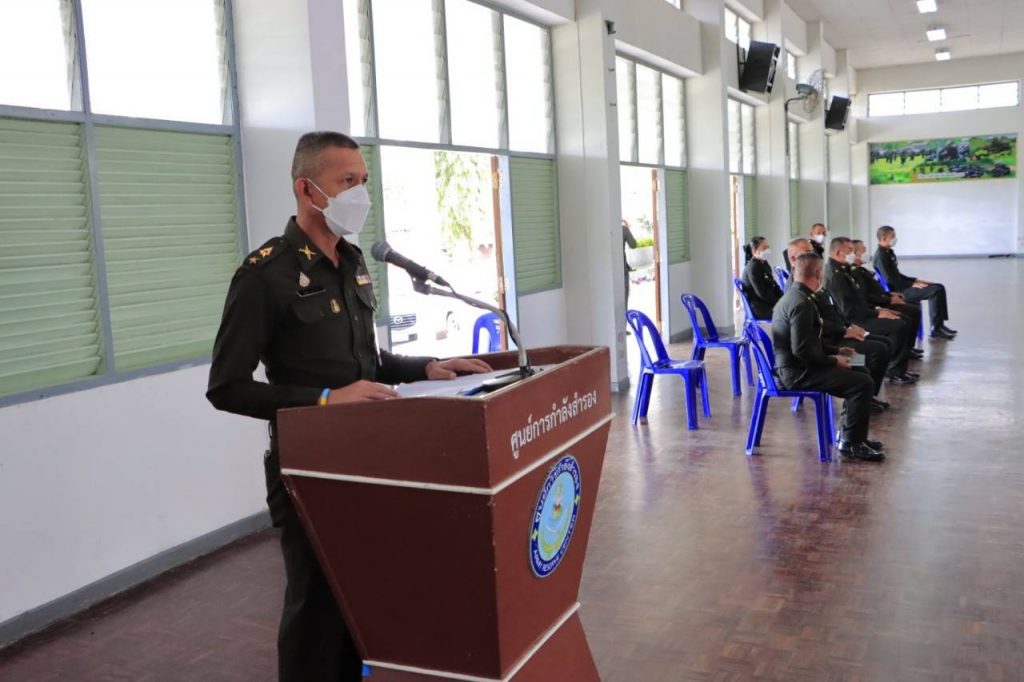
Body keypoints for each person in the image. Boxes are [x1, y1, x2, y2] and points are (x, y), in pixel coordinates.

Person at [207, 131, 492, 682]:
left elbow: (367, 363)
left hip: (370, 461)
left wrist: (428, 367)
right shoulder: (265, 275)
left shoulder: (354, 261)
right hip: (308, 469)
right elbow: (227, 387)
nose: (360, 194)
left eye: (363, 181)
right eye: (346, 182)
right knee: (316, 607)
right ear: (306, 189)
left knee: (361, 601)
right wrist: (323, 400)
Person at [772, 251, 885, 461]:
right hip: (798, 373)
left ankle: (851, 434)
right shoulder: (802, 304)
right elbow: (802, 350)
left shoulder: (797, 296)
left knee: (860, 364)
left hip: (801, 365)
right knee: (863, 383)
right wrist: (834, 361)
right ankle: (851, 444)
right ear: (817, 273)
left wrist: (837, 351)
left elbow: (810, 341)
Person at [788, 238, 892, 414]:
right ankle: (860, 399)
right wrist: (844, 332)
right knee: (875, 352)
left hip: (834, 337)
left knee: (882, 346)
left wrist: (849, 326)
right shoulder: (797, 288)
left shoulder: (812, 281)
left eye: (811, 250)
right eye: (805, 251)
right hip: (828, 342)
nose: (811, 253)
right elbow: (815, 326)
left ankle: (865, 398)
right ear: (793, 259)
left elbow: (833, 310)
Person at [824, 237, 919, 385]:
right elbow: (849, 311)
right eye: (850, 250)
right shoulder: (836, 276)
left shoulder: (843, 269)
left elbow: (860, 298)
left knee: (902, 321)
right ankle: (894, 372)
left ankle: (893, 370)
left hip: (860, 314)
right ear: (838, 253)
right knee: (899, 326)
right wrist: (877, 313)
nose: (853, 253)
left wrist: (878, 309)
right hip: (854, 320)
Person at [873, 225, 957, 339]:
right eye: (892, 237)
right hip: (899, 291)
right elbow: (891, 280)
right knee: (936, 290)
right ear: (883, 239)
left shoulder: (888, 252)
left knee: (938, 286)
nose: (895, 239)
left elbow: (897, 275)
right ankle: (935, 329)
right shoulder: (881, 256)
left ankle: (940, 325)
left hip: (902, 285)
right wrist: (911, 284)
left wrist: (915, 280)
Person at [850, 239, 924, 357]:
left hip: (879, 301)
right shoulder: (854, 273)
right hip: (872, 308)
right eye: (862, 250)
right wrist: (886, 303)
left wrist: (889, 295)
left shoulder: (861, 269)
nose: (865, 252)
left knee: (913, 311)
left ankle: (906, 350)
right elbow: (865, 297)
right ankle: (897, 360)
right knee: (904, 320)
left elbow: (874, 290)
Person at [741, 236, 782, 320]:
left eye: (768, 247)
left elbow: (773, 284)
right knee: (790, 314)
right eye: (764, 248)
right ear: (755, 251)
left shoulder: (764, 263)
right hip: (761, 308)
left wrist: (783, 298)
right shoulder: (753, 267)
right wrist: (779, 302)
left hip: (769, 304)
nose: (768, 250)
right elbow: (761, 293)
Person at [622, 219, 637, 308]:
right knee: (624, 294)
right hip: (622, 267)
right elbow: (633, 244)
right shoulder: (623, 229)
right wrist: (627, 228)